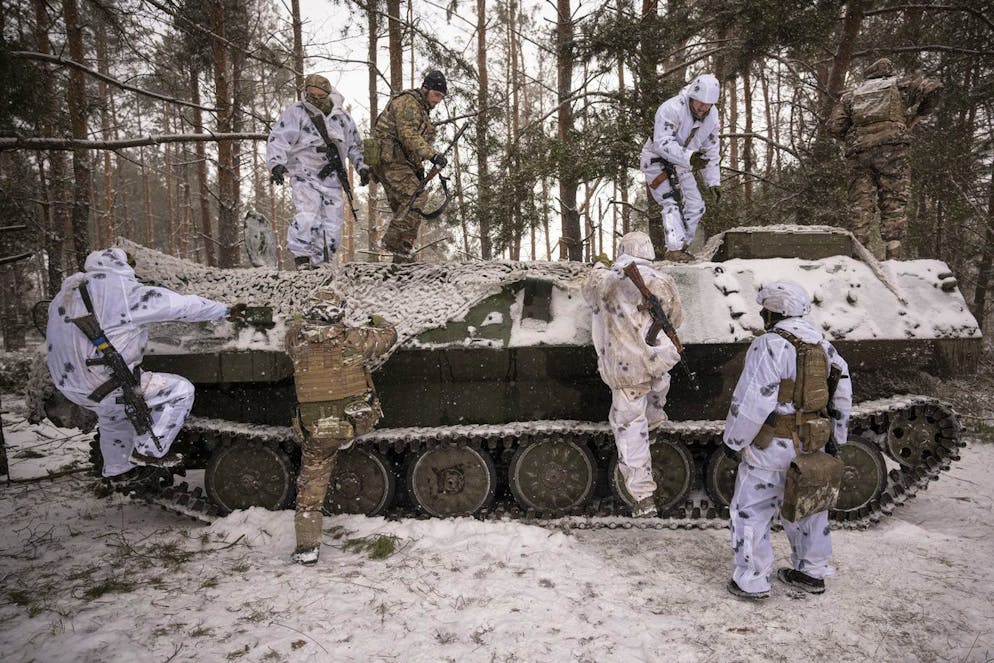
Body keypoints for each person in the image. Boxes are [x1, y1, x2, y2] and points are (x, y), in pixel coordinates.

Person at [45, 248, 243, 482]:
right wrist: (224, 311)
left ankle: (117, 469)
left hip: (68, 385)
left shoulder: (67, 293)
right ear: (121, 265)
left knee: (114, 412)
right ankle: (149, 451)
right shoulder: (121, 290)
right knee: (180, 391)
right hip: (101, 382)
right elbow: (180, 306)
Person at [722, 280, 852, 600]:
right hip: (812, 443)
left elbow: (754, 399)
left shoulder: (769, 344)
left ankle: (753, 578)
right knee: (809, 508)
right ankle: (811, 571)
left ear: (775, 312)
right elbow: (842, 395)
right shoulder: (824, 346)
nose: (763, 315)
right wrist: (837, 438)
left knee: (751, 510)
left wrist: (734, 440)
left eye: (765, 310)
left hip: (771, 448)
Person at [285, 301, 397, 565]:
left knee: (310, 487)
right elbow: (389, 338)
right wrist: (380, 322)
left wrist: (299, 321)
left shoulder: (296, 343)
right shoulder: (354, 339)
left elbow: (292, 332)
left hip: (317, 429)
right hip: (353, 422)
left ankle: (307, 548)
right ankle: (349, 436)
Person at [581, 231, 684, 517]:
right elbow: (675, 319)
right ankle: (655, 421)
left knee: (630, 431)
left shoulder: (607, 281)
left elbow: (588, 290)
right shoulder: (664, 282)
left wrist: (599, 266)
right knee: (654, 401)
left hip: (626, 371)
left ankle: (642, 496)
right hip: (657, 362)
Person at [827, 58, 943, 260]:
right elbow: (934, 88)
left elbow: (834, 127)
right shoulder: (899, 85)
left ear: (869, 74)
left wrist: (856, 136)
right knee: (894, 199)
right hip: (893, 148)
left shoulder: (851, 95)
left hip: (859, 153)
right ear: (888, 73)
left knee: (860, 202)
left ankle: (858, 253)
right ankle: (893, 254)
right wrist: (917, 115)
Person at [267, 73, 368, 270]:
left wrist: (362, 167)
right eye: (310, 95)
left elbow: (355, 146)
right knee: (308, 213)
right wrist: (276, 164)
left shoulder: (343, 119)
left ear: (328, 95)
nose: (314, 100)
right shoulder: (296, 113)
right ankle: (302, 257)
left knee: (333, 223)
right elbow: (278, 138)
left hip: (333, 179)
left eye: (319, 96)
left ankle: (322, 262)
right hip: (304, 173)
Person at [639, 73, 722, 262]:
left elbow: (711, 149)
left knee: (696, 206)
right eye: (699, 102)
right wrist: (690, 158)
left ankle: (681, 247)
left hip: (683, 161)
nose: (702, 107)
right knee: (670, 201)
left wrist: (713, 181)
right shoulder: (671, 109)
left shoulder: (712, 118)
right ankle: (674, 249)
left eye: (707, 104)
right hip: (655, 159)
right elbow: (662, 142)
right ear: (692, 96)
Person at [369, 70, 447, 263]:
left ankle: (402, 262)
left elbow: (411, 144)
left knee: (404, 209)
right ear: (426, 88)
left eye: (442, 97)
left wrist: (420, 168)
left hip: (399, 161)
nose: (438, 100)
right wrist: (433, 155)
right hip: (390, 160)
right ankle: (393, 242)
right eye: (437, 95)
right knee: (417, 197)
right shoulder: (409, 103)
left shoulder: (421, 110)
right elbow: (408, 135)